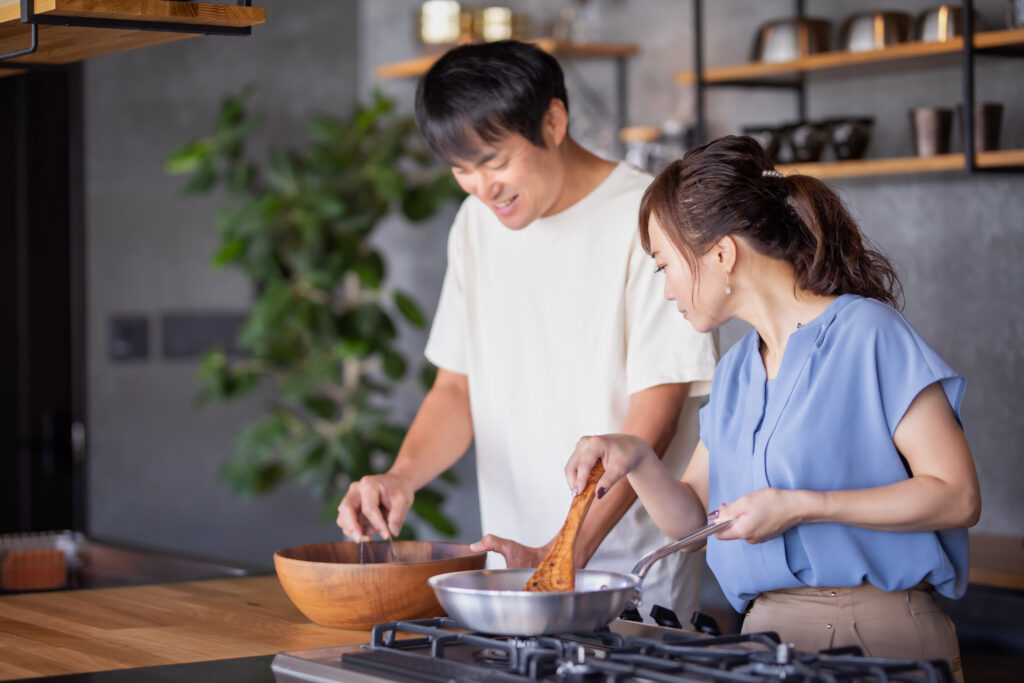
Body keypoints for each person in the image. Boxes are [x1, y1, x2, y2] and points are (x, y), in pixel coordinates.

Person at [564, 135, 979, 675]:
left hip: (875, 634)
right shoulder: (738, 368)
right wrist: (637, 457)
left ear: (721, 254)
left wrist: (803, 505)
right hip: (763, 639)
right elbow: (691, 522)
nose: (666, 291)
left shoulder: (868, 332)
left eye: (665, 265)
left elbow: (957, 496)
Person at [336, 40, 717, 619]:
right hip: (514, 575)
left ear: (554, 121)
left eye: (494, 160)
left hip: (626, 580)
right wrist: (400, 476)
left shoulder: (648, 215)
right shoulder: (476, 225)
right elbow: (457, 388)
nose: (481, 187)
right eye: (461, 169)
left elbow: (655, 415)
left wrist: (566, 554)